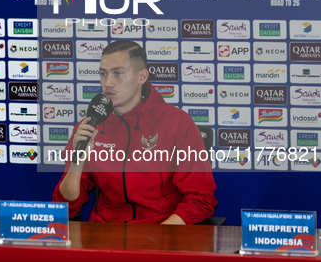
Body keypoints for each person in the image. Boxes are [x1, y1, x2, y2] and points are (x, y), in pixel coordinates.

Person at [52, 40, 217, 224]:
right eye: (103, 74)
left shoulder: (177, 123)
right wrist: (77, 161)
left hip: (161, 231)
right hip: (106, 234)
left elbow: (200, 199)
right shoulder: (90, 126)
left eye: (118, 74)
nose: (108, 83)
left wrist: (159, 236)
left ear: (142, 77)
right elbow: (66, 207)